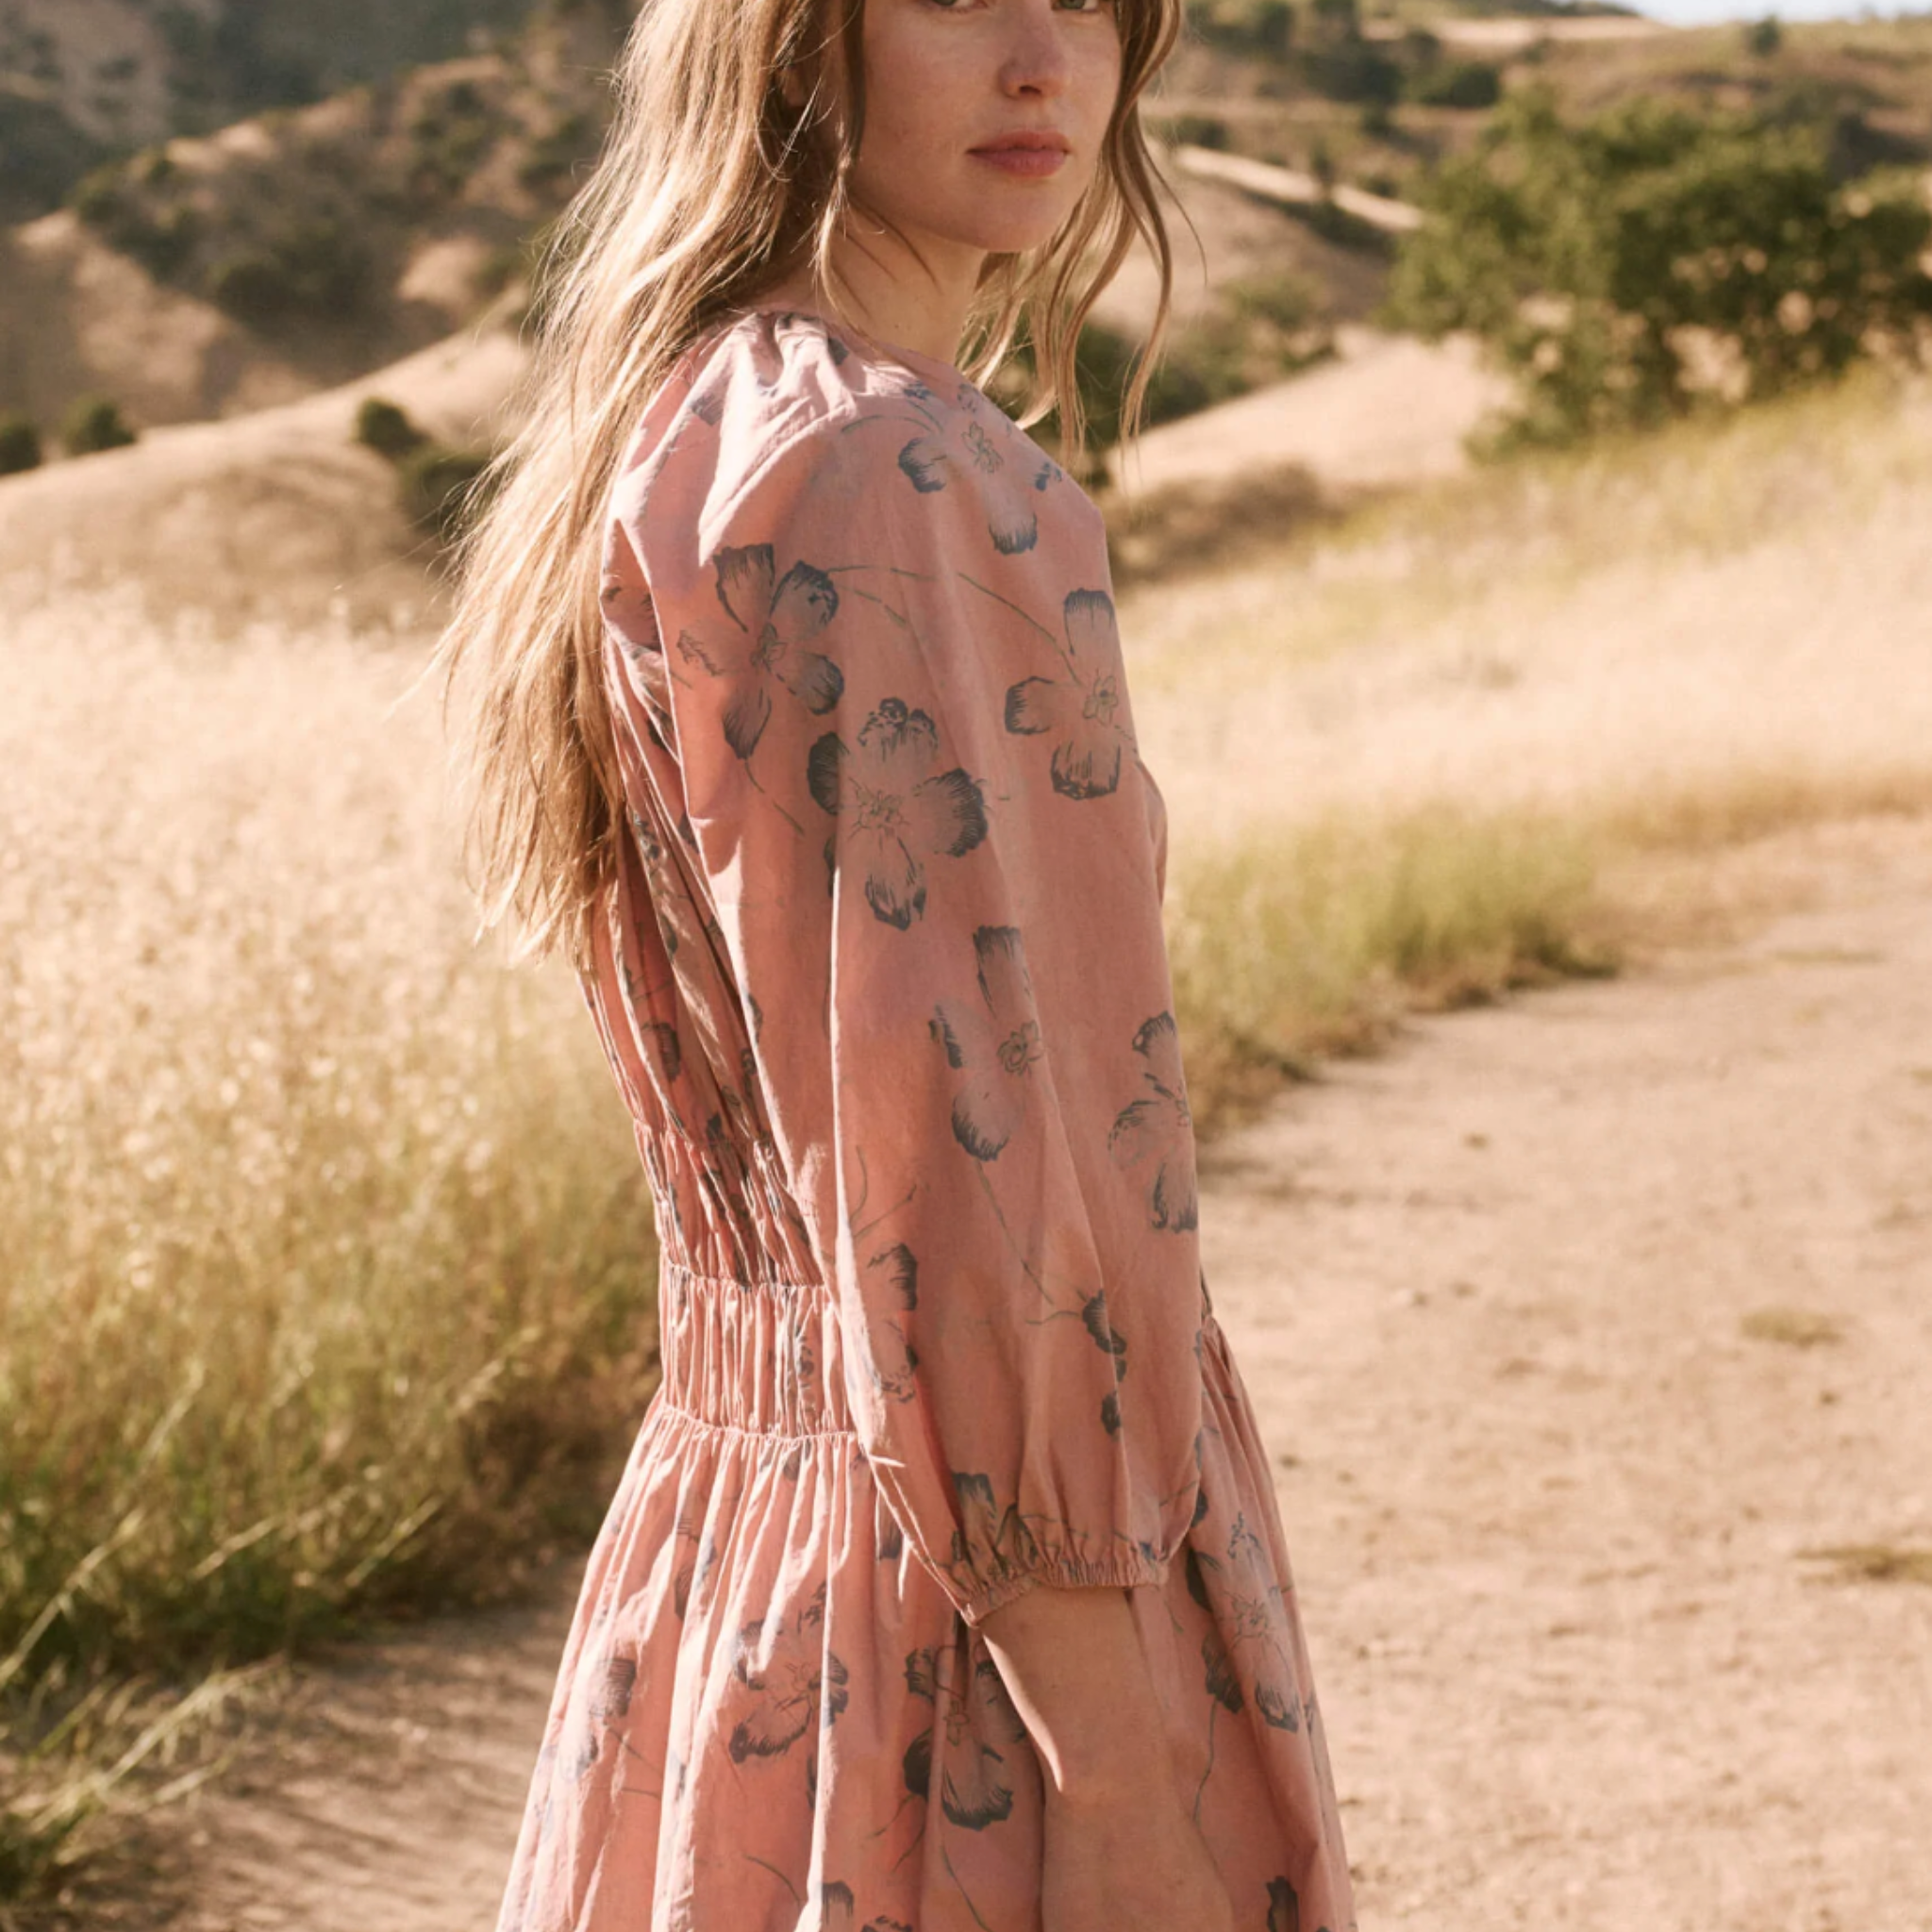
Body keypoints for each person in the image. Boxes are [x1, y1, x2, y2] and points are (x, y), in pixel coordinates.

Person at [437, 0, 1357, 1925]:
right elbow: (963, 1181)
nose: (1046, 57)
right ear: (786, 42)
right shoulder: (892, 477)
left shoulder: (701, 418)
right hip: (966, 1625)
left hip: (755, 1558)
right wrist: (1116, 1766)